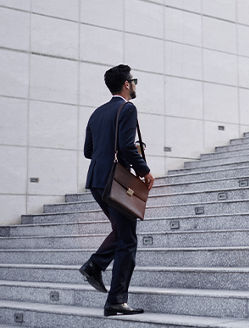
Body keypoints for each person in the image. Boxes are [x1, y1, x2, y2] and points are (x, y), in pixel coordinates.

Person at [79, 64, 155, 316]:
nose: (135, 85)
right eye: (134, 80)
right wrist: (144, 170)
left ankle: (95, 265)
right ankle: (115, 300)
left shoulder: (97, 113)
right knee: (128, 240)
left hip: (96, 181)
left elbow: (88, 152)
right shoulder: (128, 108)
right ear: (126, 84)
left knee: (121, 231)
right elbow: (125, 147)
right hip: (116, 181)